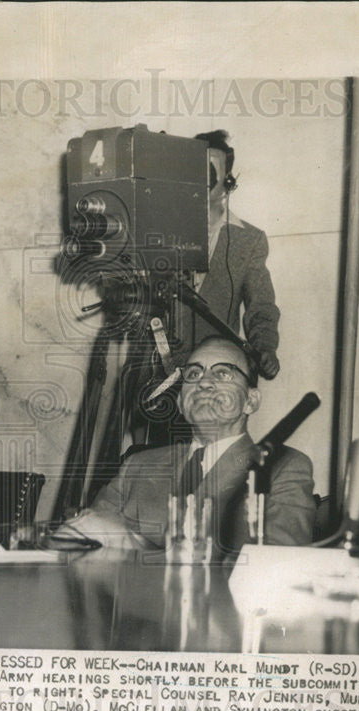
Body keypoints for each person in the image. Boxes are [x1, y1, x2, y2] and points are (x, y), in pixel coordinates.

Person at [68, 337, 315, 563]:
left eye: (223, 374)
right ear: (180, 403)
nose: (204, 382)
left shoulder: (282, 467)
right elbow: (81, 540)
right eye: (194, 374)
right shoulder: (137, 465)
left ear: (251, 401)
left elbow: (278, 568)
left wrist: (135, 545)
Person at [181, 130, 281, 380]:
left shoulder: (248, 241)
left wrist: (265, 346)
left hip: (216, 374)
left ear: (228, 179)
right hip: (157, 374)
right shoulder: (156, 233)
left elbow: (261, 306)